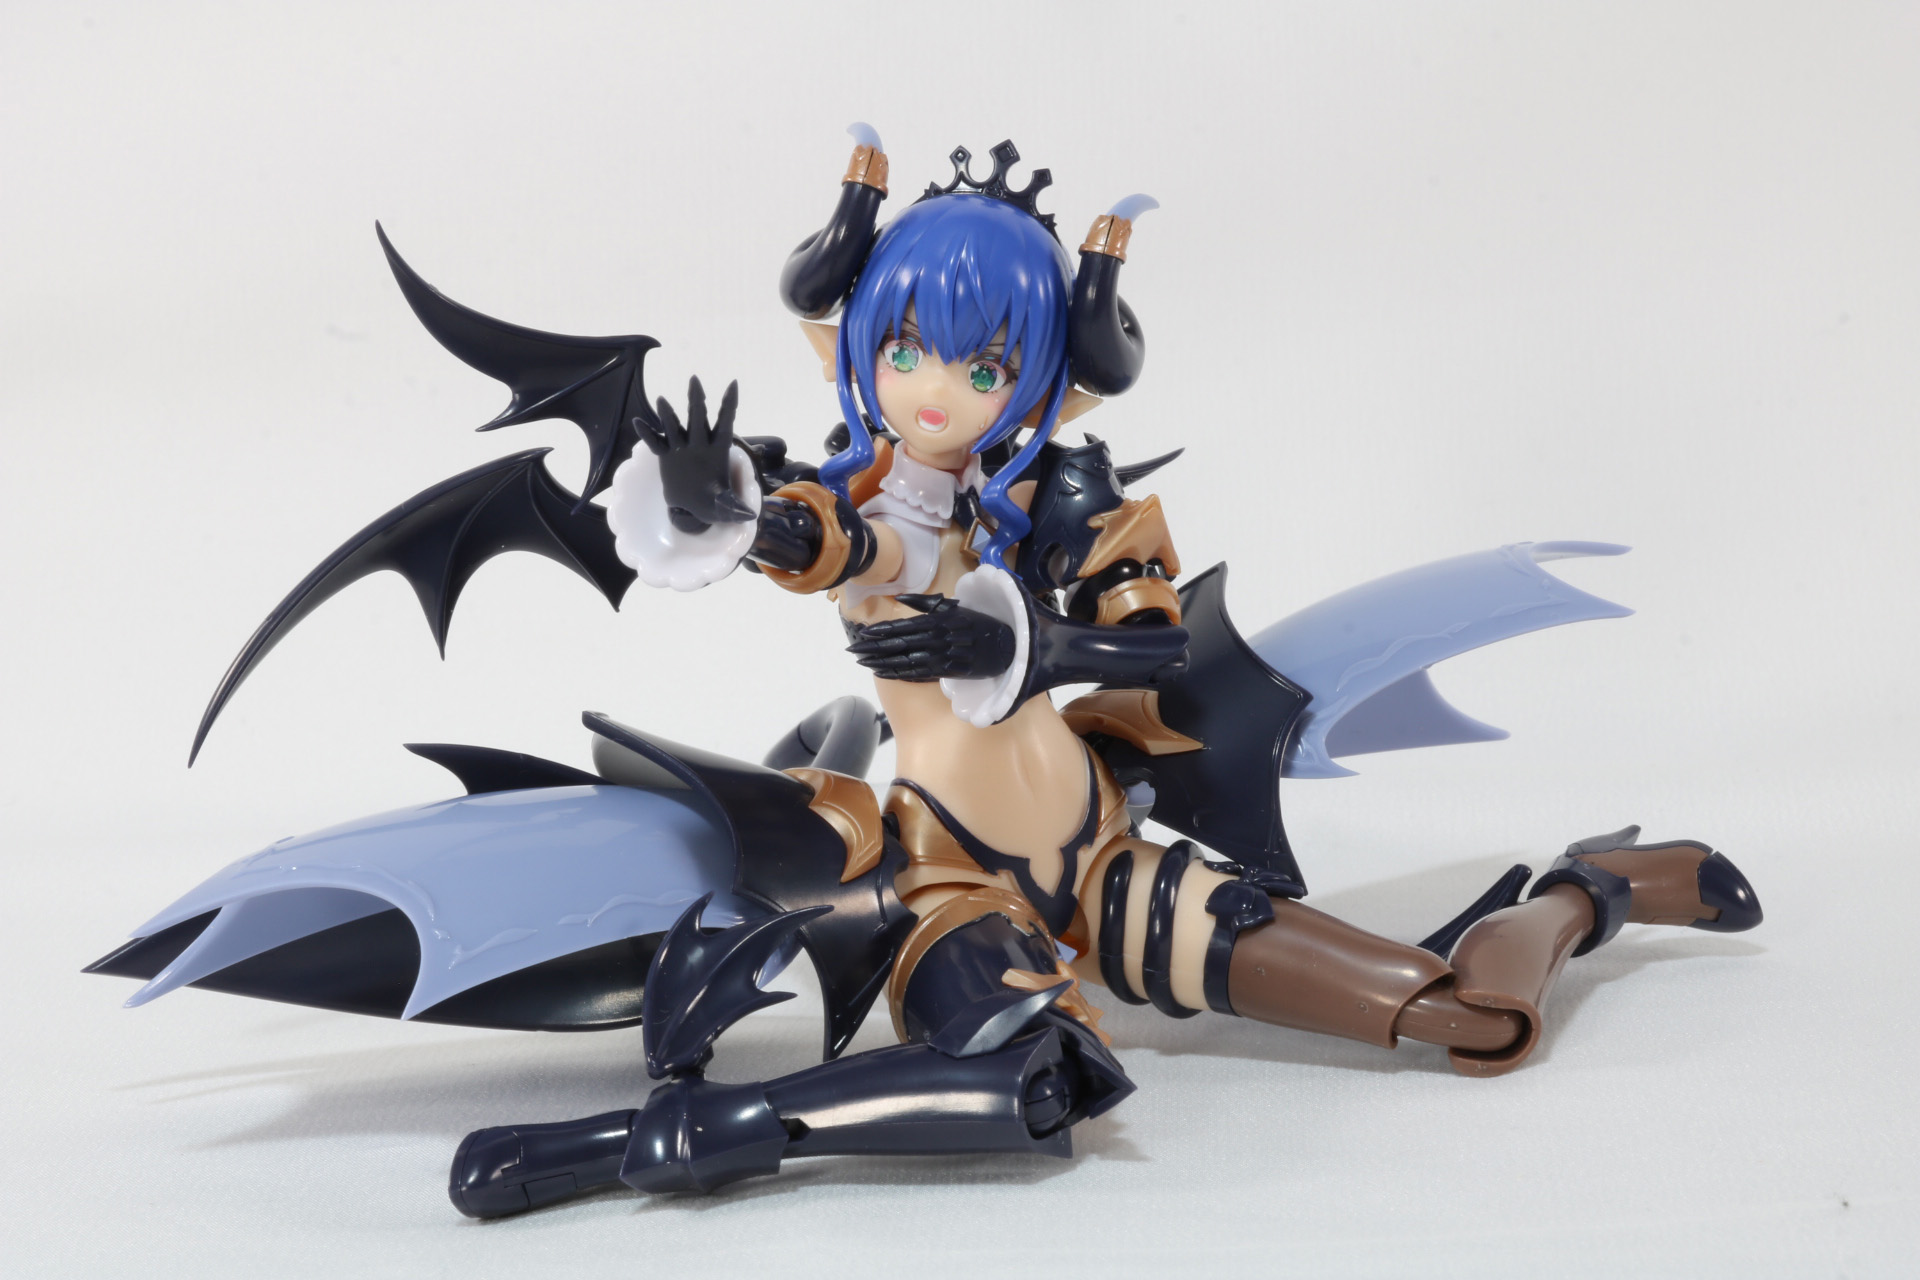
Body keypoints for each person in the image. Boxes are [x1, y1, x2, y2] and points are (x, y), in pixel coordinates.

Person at [446, 128, 1763, 1216]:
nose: (935, 390)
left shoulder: (1065, 495)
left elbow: (1149, 641)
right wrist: (721, 509)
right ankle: (651, 1143)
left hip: (1104, 853)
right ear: (859, 345)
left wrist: (1017, 643)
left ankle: (1588, 890)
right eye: (904, 352)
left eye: (981, 365)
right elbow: (821, 541)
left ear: (1039, 377)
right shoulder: (849, 499)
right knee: (1029, 1082)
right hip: (955, 878)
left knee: (1470, 1020)